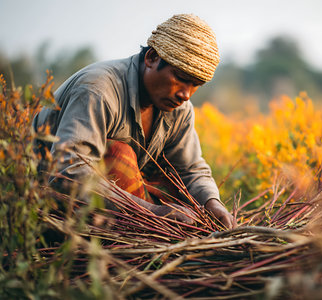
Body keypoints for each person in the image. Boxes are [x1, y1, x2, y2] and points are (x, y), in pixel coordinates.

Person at [32, 14, 236, 228]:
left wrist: (213, 203)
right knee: (119, 154)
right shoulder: (98, 90)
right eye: (181, 78)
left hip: (110, 203)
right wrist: (154, 212)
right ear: (151, 58)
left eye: (196, 85)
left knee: (185, 190)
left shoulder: (180, 108)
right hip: (46, 203)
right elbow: (68, 173)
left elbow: (190, 169)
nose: (186, 94)